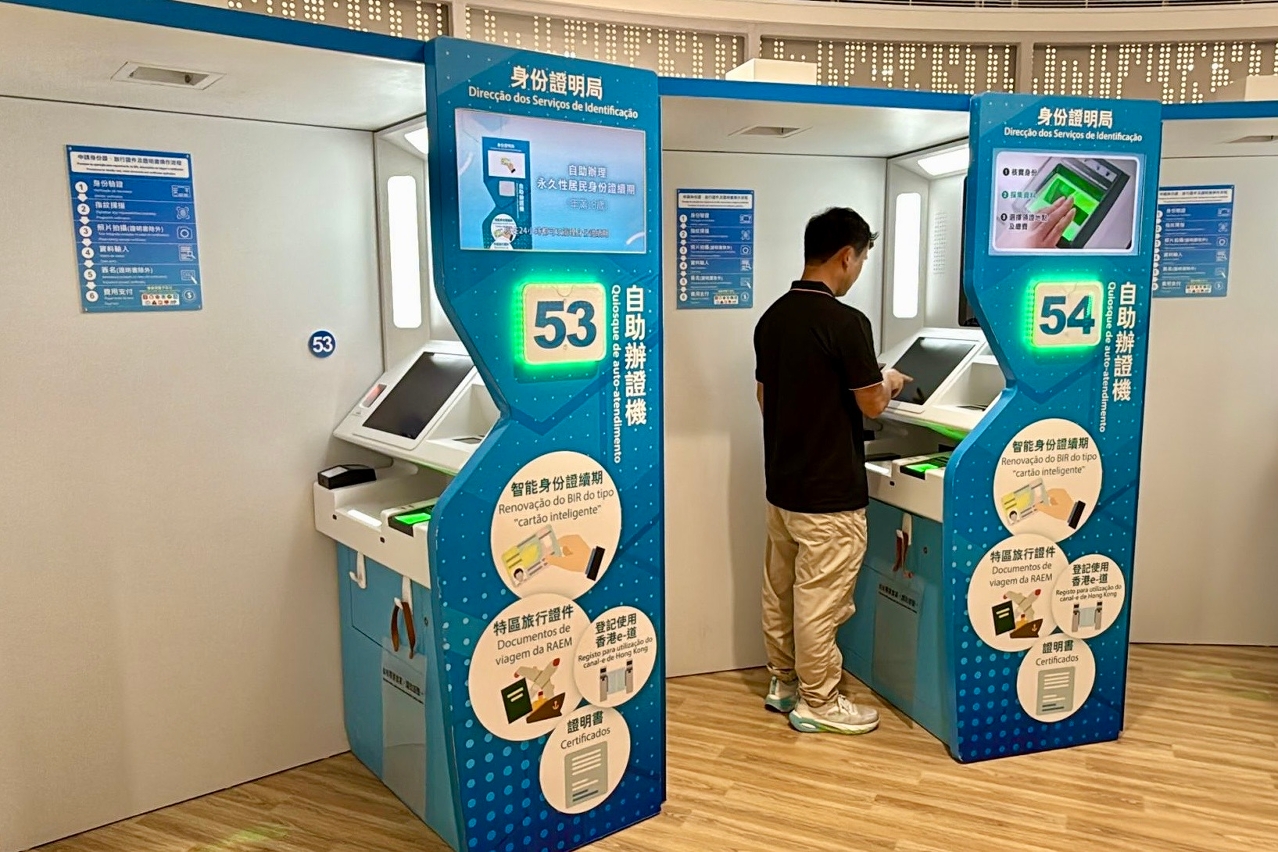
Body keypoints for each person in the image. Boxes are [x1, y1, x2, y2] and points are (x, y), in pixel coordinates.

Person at [753, 207, 910, 736]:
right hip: (830, 498)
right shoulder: (847, 323)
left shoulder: (773, 318)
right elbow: (872, 404)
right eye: (861, 259)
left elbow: (764, 399)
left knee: (782, 592)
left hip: (783, 488)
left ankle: (783, 682)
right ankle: (819, 701)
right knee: (820, 602)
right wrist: (890, 380)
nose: (859, 269)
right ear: (847, 255)